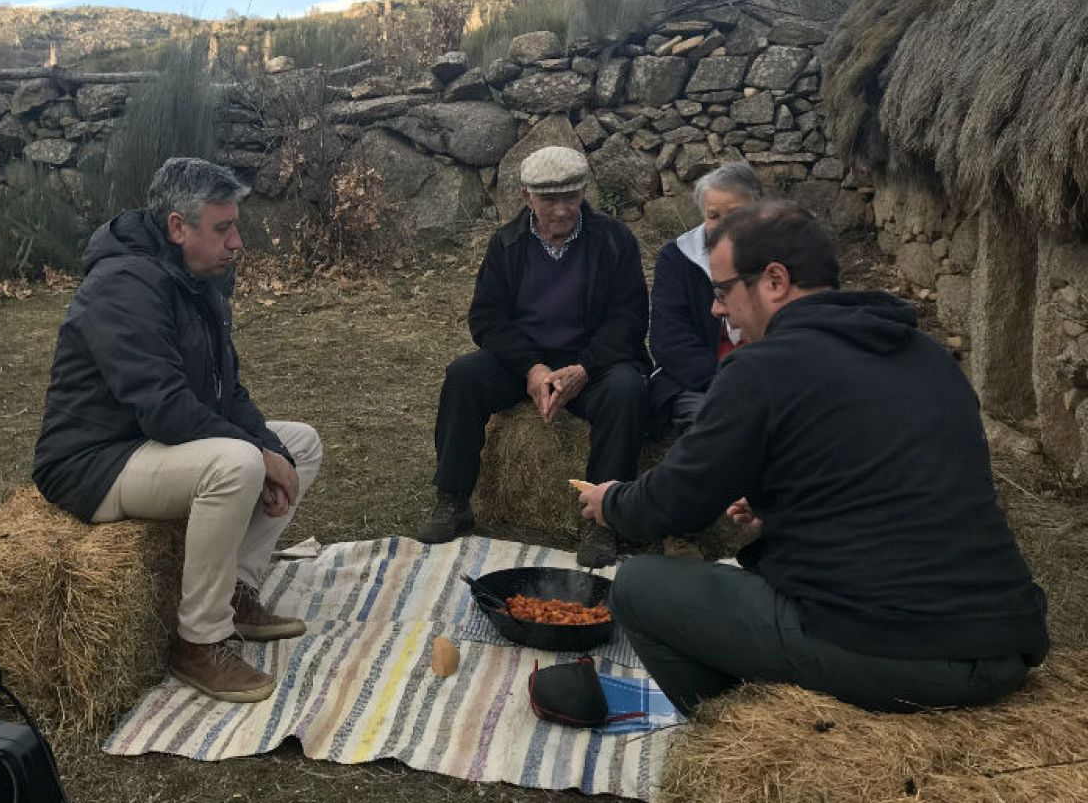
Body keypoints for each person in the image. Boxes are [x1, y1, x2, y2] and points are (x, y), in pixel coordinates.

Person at [577, 201, 1050, 715]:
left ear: (774, 280)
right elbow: (896, 483)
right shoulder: (927, 354)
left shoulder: (760, 369)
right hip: (1005, 640)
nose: (716, 309)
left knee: (642, 586)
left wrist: (612, 500)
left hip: (905, 651)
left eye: (722, 291)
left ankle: (736, 734)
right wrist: (784, 511)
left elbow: (673, 504)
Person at [32, 157, 323, 704]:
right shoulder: (122, 285)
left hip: (149, 442)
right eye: (223, 228)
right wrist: (258, 456)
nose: (237, 242)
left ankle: (237, 589)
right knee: (238, 463)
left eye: (235, 225)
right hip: (94, 462)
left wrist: (274, 450)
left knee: (300, 444)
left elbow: (226, 391)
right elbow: (165, 409)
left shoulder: (195, 277)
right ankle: (199, 642)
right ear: (176, 227)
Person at [417, 145, 651, 567]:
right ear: (526, 197)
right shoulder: (506, 244)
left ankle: (603, 519)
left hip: (591, 362)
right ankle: (453, 498)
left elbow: (630, 319)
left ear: (583, 192)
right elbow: (486, 318)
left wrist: (584, 368)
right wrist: (531, 367)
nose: (562, 210)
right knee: (464, 376)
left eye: (572, 197)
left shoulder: (614, 240)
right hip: (524, 360)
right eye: (549, 199)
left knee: (627, 390)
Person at [648, 162, 763, 432]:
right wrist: (726, 383)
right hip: (699, 383)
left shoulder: (785, 252)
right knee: (719, 424)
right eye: (714, 216)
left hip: (766, 376)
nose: (724, 226)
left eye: (736, 214)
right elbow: (669, 340)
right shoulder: (677, 258)